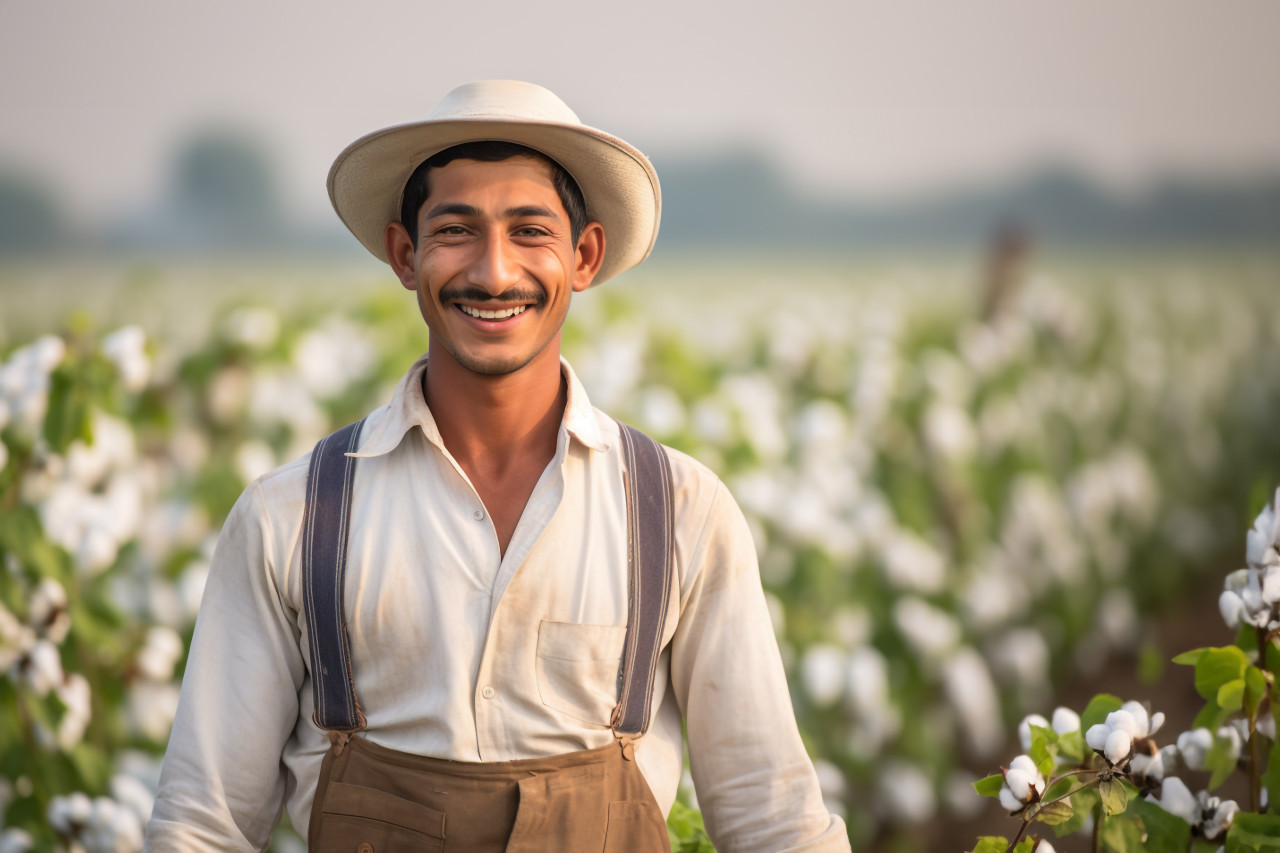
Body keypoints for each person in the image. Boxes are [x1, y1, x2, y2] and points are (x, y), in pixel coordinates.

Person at [145, 80, 851, 852]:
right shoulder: (293, 518)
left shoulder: (679, 511)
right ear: (404, 255)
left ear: (583, 257)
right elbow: (202, 825)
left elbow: (771, 816)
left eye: (529, 231)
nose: (492, 271)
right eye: (455, 230)